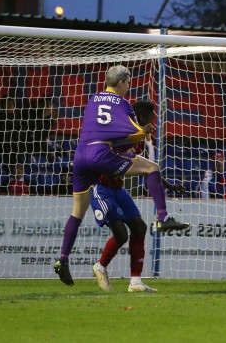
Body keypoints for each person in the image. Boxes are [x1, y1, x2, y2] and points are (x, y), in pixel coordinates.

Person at [53, 65, 186, 286]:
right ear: (122, 82)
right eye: (128, 82)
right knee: (152, 167)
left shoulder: (93, 99)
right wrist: (144, 131)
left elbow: (104, 129)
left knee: (77, 213)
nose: (129, 86)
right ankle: (162, 218)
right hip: (101, 160)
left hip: (81, 155)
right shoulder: (122, 104)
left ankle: (63, 260)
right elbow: (133, 131)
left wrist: (167, 184)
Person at [90, 154, 156, 293]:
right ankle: (100, 267)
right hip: (101, 189)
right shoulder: (117, 136)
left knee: (139, 227)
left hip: (119, 190)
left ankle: (135, 281)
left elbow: (144, 166)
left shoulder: (137, 141)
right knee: (121, 234)